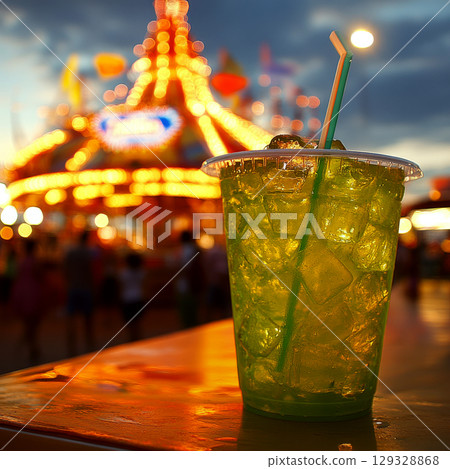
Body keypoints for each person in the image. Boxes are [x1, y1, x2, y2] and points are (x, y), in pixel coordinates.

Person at [10, 239, 44, 364]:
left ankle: (29, 346)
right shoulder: (34, 262)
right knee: (33, 321)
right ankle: (31, 346)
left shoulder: (22, 261)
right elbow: (40, 276)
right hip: (32, 292)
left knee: (28, 321)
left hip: (23, 292)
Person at [64, 231, 95, 354]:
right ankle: (89, 345)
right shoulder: (88, 253)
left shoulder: (71, 252)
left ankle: (72, 347)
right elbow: (90, 272)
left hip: (73, 287)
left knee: (72, 318)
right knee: (87, 319)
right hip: (85, 288)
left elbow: (65, 269)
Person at [174, 230, 203, 329]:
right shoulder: (194, 249)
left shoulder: (180, 250)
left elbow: (177, 267)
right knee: (193, 309)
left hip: (185, 283)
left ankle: (187, 328)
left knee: (186, 310)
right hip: (193, 283)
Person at [118, 252, 147, 342]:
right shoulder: (142, 273)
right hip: (138, 299)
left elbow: (120, 288)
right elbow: (145, 287)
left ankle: (132, 341)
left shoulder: (123, 273)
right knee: (137, 324)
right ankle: (137, 340)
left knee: (130, 325)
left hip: (127, 300)